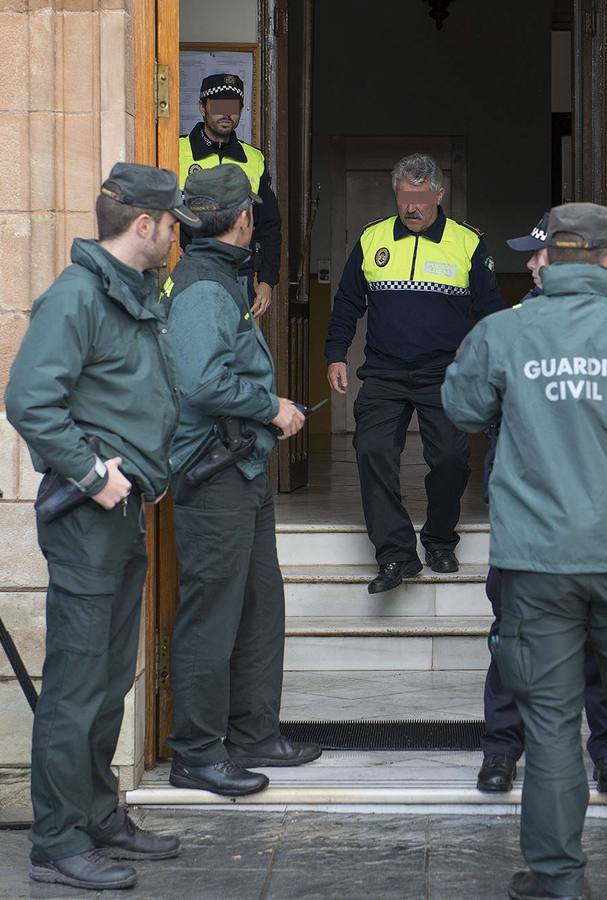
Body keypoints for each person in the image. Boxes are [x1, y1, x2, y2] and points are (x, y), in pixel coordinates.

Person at [442, 202, 607, 900]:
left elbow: (463, 408)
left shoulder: (505, 331)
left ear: (549, 259)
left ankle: (560, 880)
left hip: (537, 563)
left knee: (551, 723)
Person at [5, 163, 199, 891]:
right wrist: (93, 473)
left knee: (113, 676)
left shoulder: (136, 293)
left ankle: (96, 816)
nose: (177, 232)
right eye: (171, 222)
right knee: (79, 684)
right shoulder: (78, 296)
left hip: (122, 517)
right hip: (88, 518)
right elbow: (28, 399)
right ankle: (56, 841)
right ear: (142, 225)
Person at [163, 165, 321, 798]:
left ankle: (254, 732)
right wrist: (271, 408)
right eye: (252, 212)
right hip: (215, 471)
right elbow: (200, 382)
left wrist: (263, 407)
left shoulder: (221, 278)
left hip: (241, 466)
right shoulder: (203, 288)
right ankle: (197, 751)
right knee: (213, 611)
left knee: (259, 603)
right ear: (241, 221)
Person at [478, 213, 607, 797]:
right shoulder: (510, 326)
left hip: (596, 512)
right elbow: (473, 405)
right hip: (526, 513)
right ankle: (500, 750)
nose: (530, 265)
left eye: (536, 256)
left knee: (601, 643)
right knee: (511, 639)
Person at [325, 152, 505, 594]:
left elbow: (492, 313)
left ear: (439, 195)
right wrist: (335, 354)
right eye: (404, 199)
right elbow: (348, 301)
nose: (411, 209)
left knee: (450, 459)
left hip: (444, 374)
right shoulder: (372, 239)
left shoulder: (466, 243)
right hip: (384, 372)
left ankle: (440, 540)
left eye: (420, 200)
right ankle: (395, 554)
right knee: (372, 453)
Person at [179, 73, 282, 317]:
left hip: (240, 275)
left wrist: (267, 281)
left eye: (233, 107)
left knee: (238, 347)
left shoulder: (253, 159)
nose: (227, 114)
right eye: (218, 106)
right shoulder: (176, 150)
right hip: (190, 270)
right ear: (202, 108)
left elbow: (269, 225)